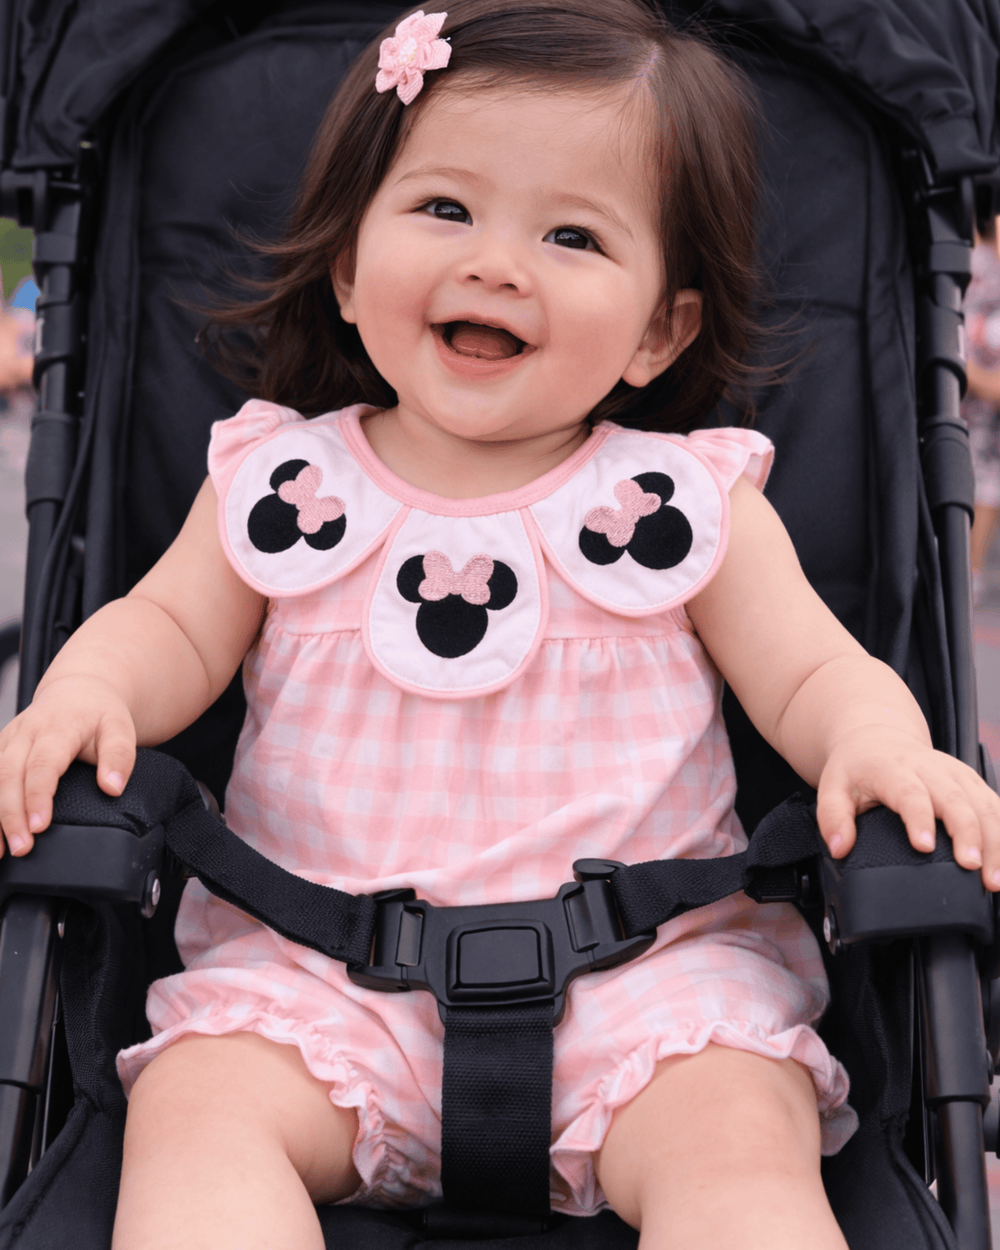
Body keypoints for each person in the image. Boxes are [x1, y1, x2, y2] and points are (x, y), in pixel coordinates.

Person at [0, 4, 998, 1247]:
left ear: (656, 330)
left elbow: (812, 672)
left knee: (740, 1145)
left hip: (652, 990)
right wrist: (88, 690)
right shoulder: (281, 483)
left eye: (572, 234)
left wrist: (876, 741)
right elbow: (162, 629)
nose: (496, 263)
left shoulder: (682, 505)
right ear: (352, 271)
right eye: (444, 210)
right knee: (197, 1115)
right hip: (309, 985)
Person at [963, 220, 1000, 602]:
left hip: (986, 434)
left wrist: (967, 374)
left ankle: (968, 578)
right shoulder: (976, 268)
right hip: (954, 418)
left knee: (986, 485)